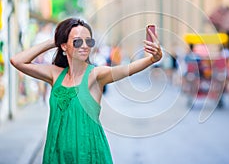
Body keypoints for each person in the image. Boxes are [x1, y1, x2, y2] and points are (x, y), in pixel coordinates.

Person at [10, 18, 162, 164]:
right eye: (77, 41)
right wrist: (52, 42)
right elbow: (17, 61)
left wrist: (151, 60)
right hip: (57, 154)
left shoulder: (96, 75)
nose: (84, 46)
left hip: (87, 155)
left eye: (89, 41)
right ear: (64, 46)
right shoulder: (54, 74)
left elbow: (128, 69)